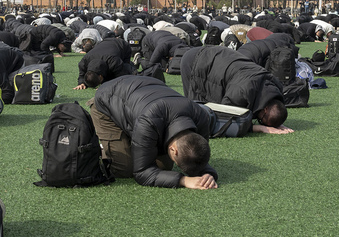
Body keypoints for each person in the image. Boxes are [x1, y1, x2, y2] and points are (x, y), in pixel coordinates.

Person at [88, 74, 247, 189]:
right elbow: (142, 173)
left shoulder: (201, 118)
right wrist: (183, 181)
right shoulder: (149, 121)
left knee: (162, 167)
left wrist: (207, 174)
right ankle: (99, 148)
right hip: (107, 100)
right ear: (173, 149)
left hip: (142, 93)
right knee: (125, 169)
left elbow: (199, 154)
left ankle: (130, 144)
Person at [179, 46, 295, 132]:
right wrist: (260, 128)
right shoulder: (241, 92)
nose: (259, 120)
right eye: (262, 119)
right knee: (198, 113)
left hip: (217, 55)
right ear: (265, 109)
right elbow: (224, 118)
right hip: (194, 62)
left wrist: (276, 123)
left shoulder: (275, 87)